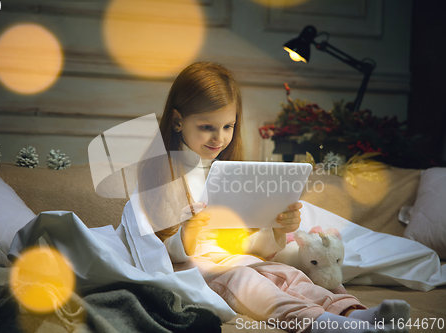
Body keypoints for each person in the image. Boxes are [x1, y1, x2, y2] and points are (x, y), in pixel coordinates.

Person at [134, 62, 411, 333]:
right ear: (177, 121)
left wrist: (276, 228)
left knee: (292, 275)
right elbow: (148, 246)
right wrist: (187, 233)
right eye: (207, 126)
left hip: (236, 258)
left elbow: (248, 242)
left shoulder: (230, 171)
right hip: (194, 269)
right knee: (249, 283)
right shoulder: (161, 174)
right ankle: (327, 324)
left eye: (228, 126)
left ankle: (357, 313)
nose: (219, 138)